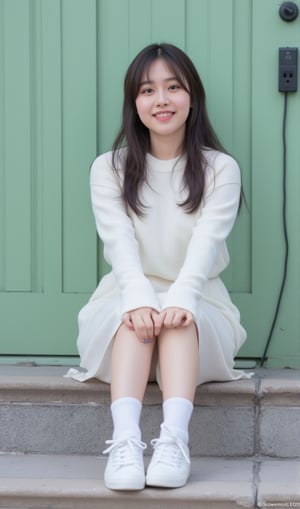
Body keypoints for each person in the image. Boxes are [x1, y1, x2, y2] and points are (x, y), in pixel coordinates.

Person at [66, 42, 251, 491]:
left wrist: (181, 301)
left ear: (193, 96)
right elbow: (119, 245)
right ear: (135, 103)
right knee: (135, 318)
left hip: (200, 302)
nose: (162, 100)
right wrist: (140, 300)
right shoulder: (108, 168)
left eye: (173, 87)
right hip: (126, 302)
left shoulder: (219, 168)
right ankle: (127, 442)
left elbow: (206, 246)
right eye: (148, 90)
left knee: (179, 317)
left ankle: (174, 441)